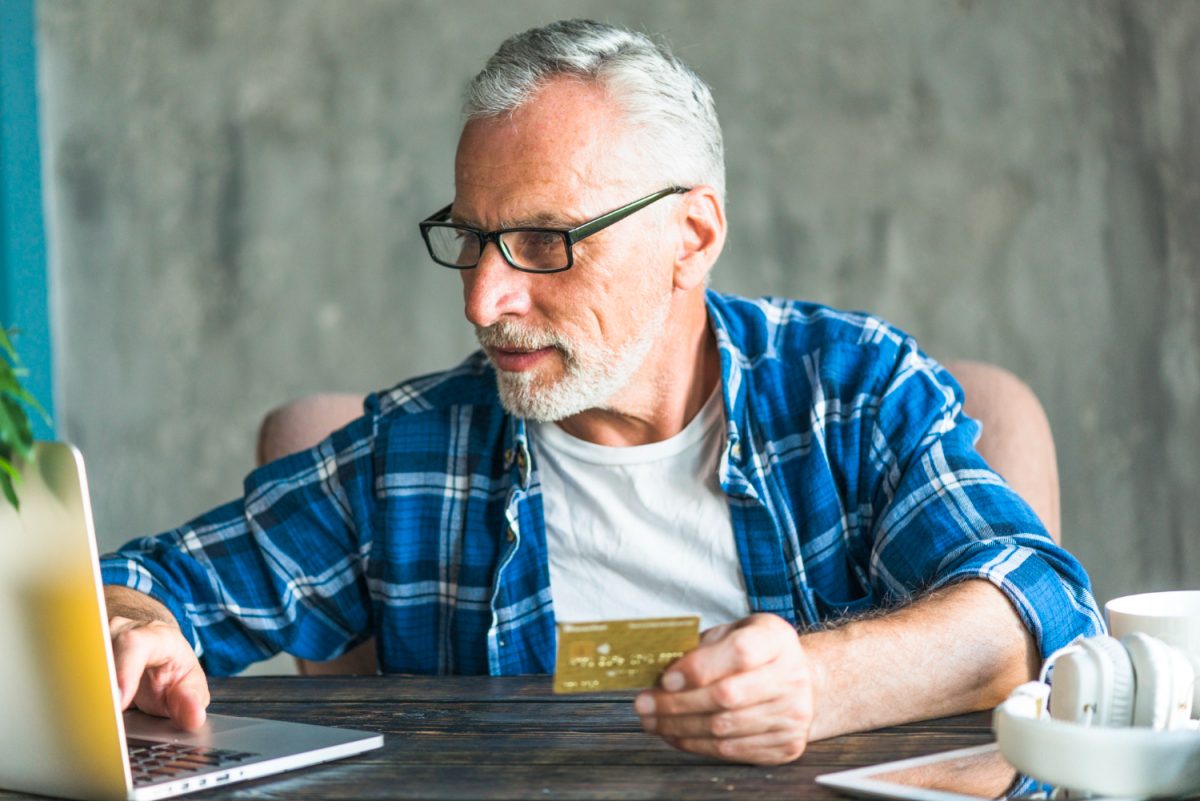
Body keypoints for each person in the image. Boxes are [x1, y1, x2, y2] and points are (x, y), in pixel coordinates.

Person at [100, 19, 1102, 766]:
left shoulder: (847, 391)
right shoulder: (413, 455)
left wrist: (821, 683)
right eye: (472, 240)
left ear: (692, 236)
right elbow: (148, 585)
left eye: (546, 241)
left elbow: (1048, 611)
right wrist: (129, 623)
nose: (485, 299)